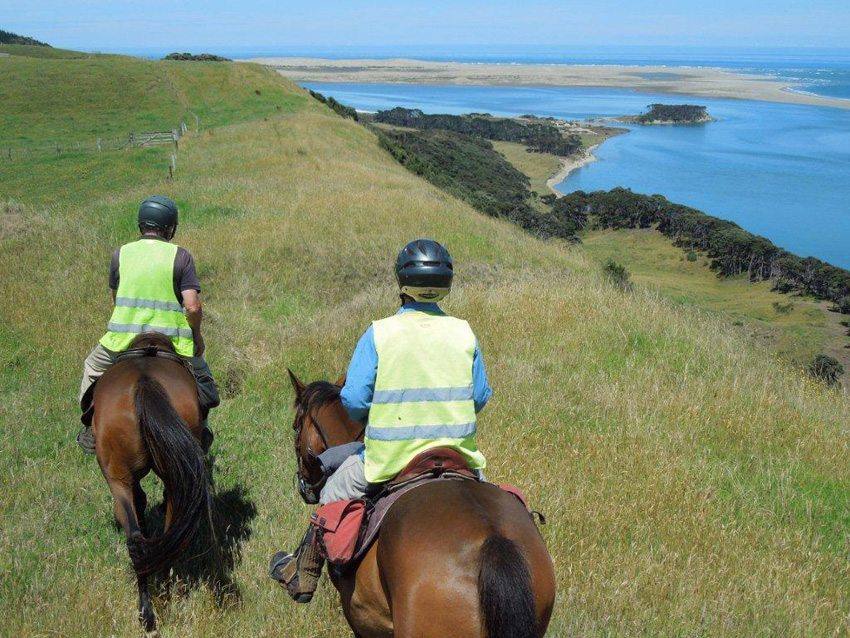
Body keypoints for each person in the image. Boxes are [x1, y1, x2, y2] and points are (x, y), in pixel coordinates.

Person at [270, 238, 492, 602]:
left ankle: (303, 574)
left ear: (401, 282)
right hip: (461, 460)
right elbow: (479, 397)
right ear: (445, 284)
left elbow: (354, 400)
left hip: (390, 460)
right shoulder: (464, 332)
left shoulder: (380, 333)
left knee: (333, 490)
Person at [76, 195, 220, 454]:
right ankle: (203, 429)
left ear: (141, 224)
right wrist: (197, 335)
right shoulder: (181, 256)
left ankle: (90, 427)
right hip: (173, 340)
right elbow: (192, 306)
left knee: (92, 368)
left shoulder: (120, 254)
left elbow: (116, 299)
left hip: (123, 340)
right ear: (169, 227)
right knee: (203, 379)